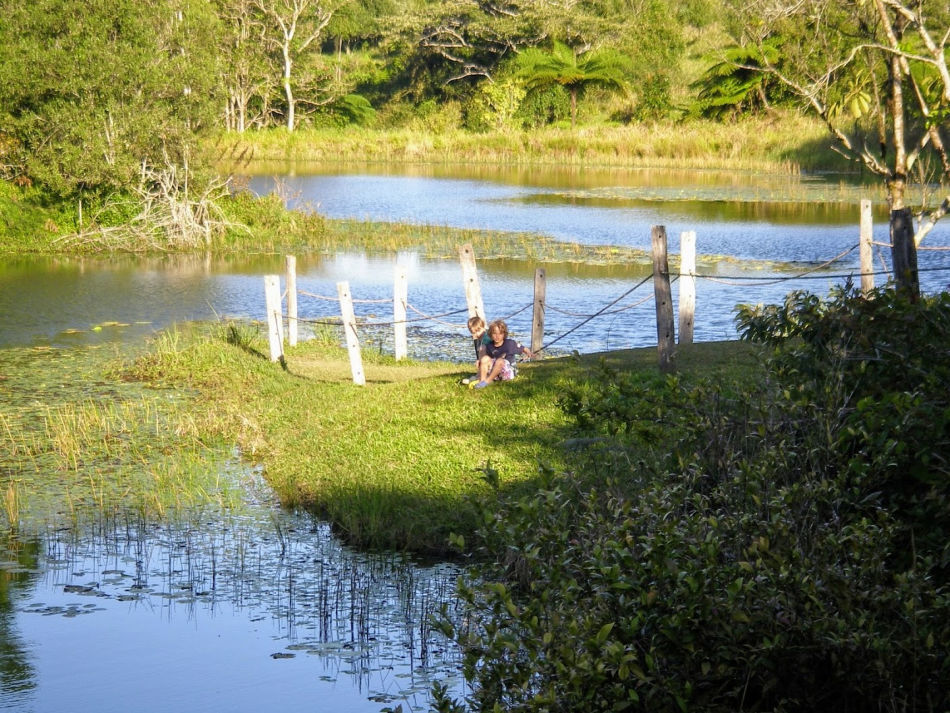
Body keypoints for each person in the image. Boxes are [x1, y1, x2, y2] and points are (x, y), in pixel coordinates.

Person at [471, 319, 533, 389]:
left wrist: (528, 353)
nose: (497, 336)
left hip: (508, 371)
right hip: (496, 371)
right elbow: (487, 361)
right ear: (490, 334)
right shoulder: (489, 346)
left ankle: (487, 381)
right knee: (485, 359)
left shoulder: (510, 343)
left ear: (504, 334)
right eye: (494, 333)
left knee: (500, 360)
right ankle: (482, 380)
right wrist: (480, 361)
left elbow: (523, 348)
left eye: (500, 333)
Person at [462, 315, 491, 385]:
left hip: (492, 361)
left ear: (483, 327)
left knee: (481, 349)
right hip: (488, 361)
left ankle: (480, 376)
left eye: (478, 331)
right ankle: (480, 374)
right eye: (473, 332)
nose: (476, 334)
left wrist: (479, 360)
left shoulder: (486, 338)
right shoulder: (481, 337)